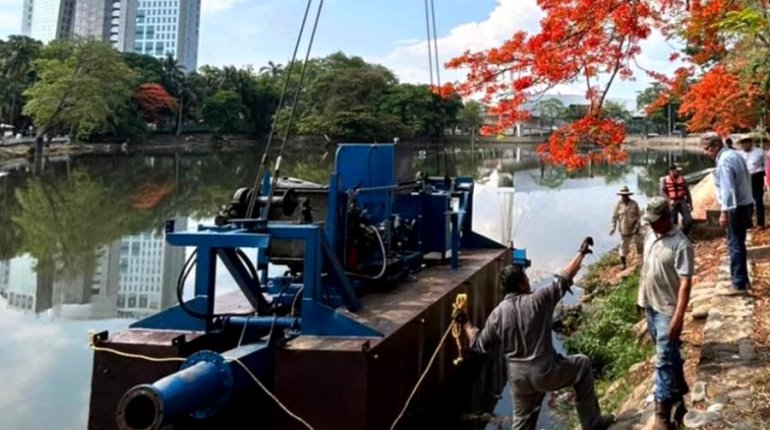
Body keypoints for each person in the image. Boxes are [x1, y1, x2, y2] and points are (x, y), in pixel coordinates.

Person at [453, 238, 615, 430]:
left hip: (518, 379)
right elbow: (564, 277)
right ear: (522, 285)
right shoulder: (539, 300)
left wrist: (465, 321)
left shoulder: (498, 313)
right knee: (583, 365)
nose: (529, 281)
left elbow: (478, 343)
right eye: (526, 278)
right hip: (545, 371)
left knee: (521, 424)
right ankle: (592, 424)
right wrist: (581, 253)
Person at [638, 197, 694, 430]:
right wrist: (639, 299)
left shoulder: (681, 244)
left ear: (667, 218)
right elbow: (646, 269)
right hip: (649, 304)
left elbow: (685, 282)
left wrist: (679, 316)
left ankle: (661, 413)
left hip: (667, 310)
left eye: (655, 221)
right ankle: (680, 393)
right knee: (669, 354)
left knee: (662, 359)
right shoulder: (651, 235)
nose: (651, 225)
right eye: (649, 221)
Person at [700, 134, 753, 292]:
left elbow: (728, 189)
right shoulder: (735, 154)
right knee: (740, 243)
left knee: (735, 243)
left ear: (716, 146)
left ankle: (738, 283)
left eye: (707, 149)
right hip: (745, 204)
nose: (706, 152)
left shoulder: (724, 161)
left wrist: (724, 212)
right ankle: (743, 279)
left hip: (735, 208)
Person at [610, 185, 643, 269]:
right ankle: (623, 263)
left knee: (639, 243)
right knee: (623, 246)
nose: (624, 196)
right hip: (624, 229)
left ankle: (642, 260)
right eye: (623, 195)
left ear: (628, 195)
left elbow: (639, 216)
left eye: (626, 195)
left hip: (635, 228)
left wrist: (637, 226)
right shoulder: (618, 205)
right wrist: (613, 228)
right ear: (621, 195)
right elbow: (614, 217)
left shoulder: (634, 203)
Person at [737, 137, 766, 229]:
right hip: (744, 178)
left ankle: (760, 223)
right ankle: (748, 222)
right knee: (746, 201)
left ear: (751, 142)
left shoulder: (760, 152)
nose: (745, 144)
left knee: (758, 200)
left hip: (757, 176)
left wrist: (765, 181)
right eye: (743, 143)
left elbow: (766, 166)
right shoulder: (739, 154)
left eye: (747, 142)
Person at [659, 164, 694, 237]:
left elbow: (687, 192)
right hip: (671, 203)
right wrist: (669, 201)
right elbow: (662, 193)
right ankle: (673, 237)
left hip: (681, 201)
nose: (678, 172)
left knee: (688, 221)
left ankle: (684, 235)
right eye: (677, 171)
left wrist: (690, 203)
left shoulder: (682, 179)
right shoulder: (664, 180)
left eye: (679, 171)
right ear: (671, 171)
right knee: (673, 221)